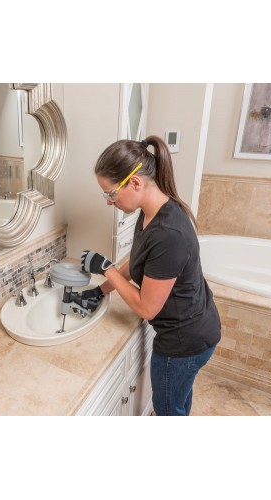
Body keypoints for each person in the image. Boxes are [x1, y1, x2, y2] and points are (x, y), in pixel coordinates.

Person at [77, 136, 221, 416]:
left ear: (134, 183)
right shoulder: (150, 213)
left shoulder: (169, 233)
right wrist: (101, 290)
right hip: (192, 329)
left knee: (167, 410)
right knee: (179, 402)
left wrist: (106, 268)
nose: (109, 202)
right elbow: (138, 263)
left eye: (110, 194)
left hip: (184, 341)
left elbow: (146, 307)